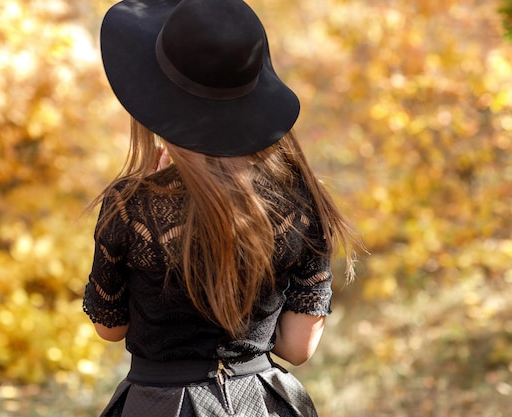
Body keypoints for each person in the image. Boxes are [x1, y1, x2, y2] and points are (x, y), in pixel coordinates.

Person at [82, 0, 360, 415]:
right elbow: (298, 348)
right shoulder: (300, 202)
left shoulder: (130, 205)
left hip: (158, 403)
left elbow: (110, 327)